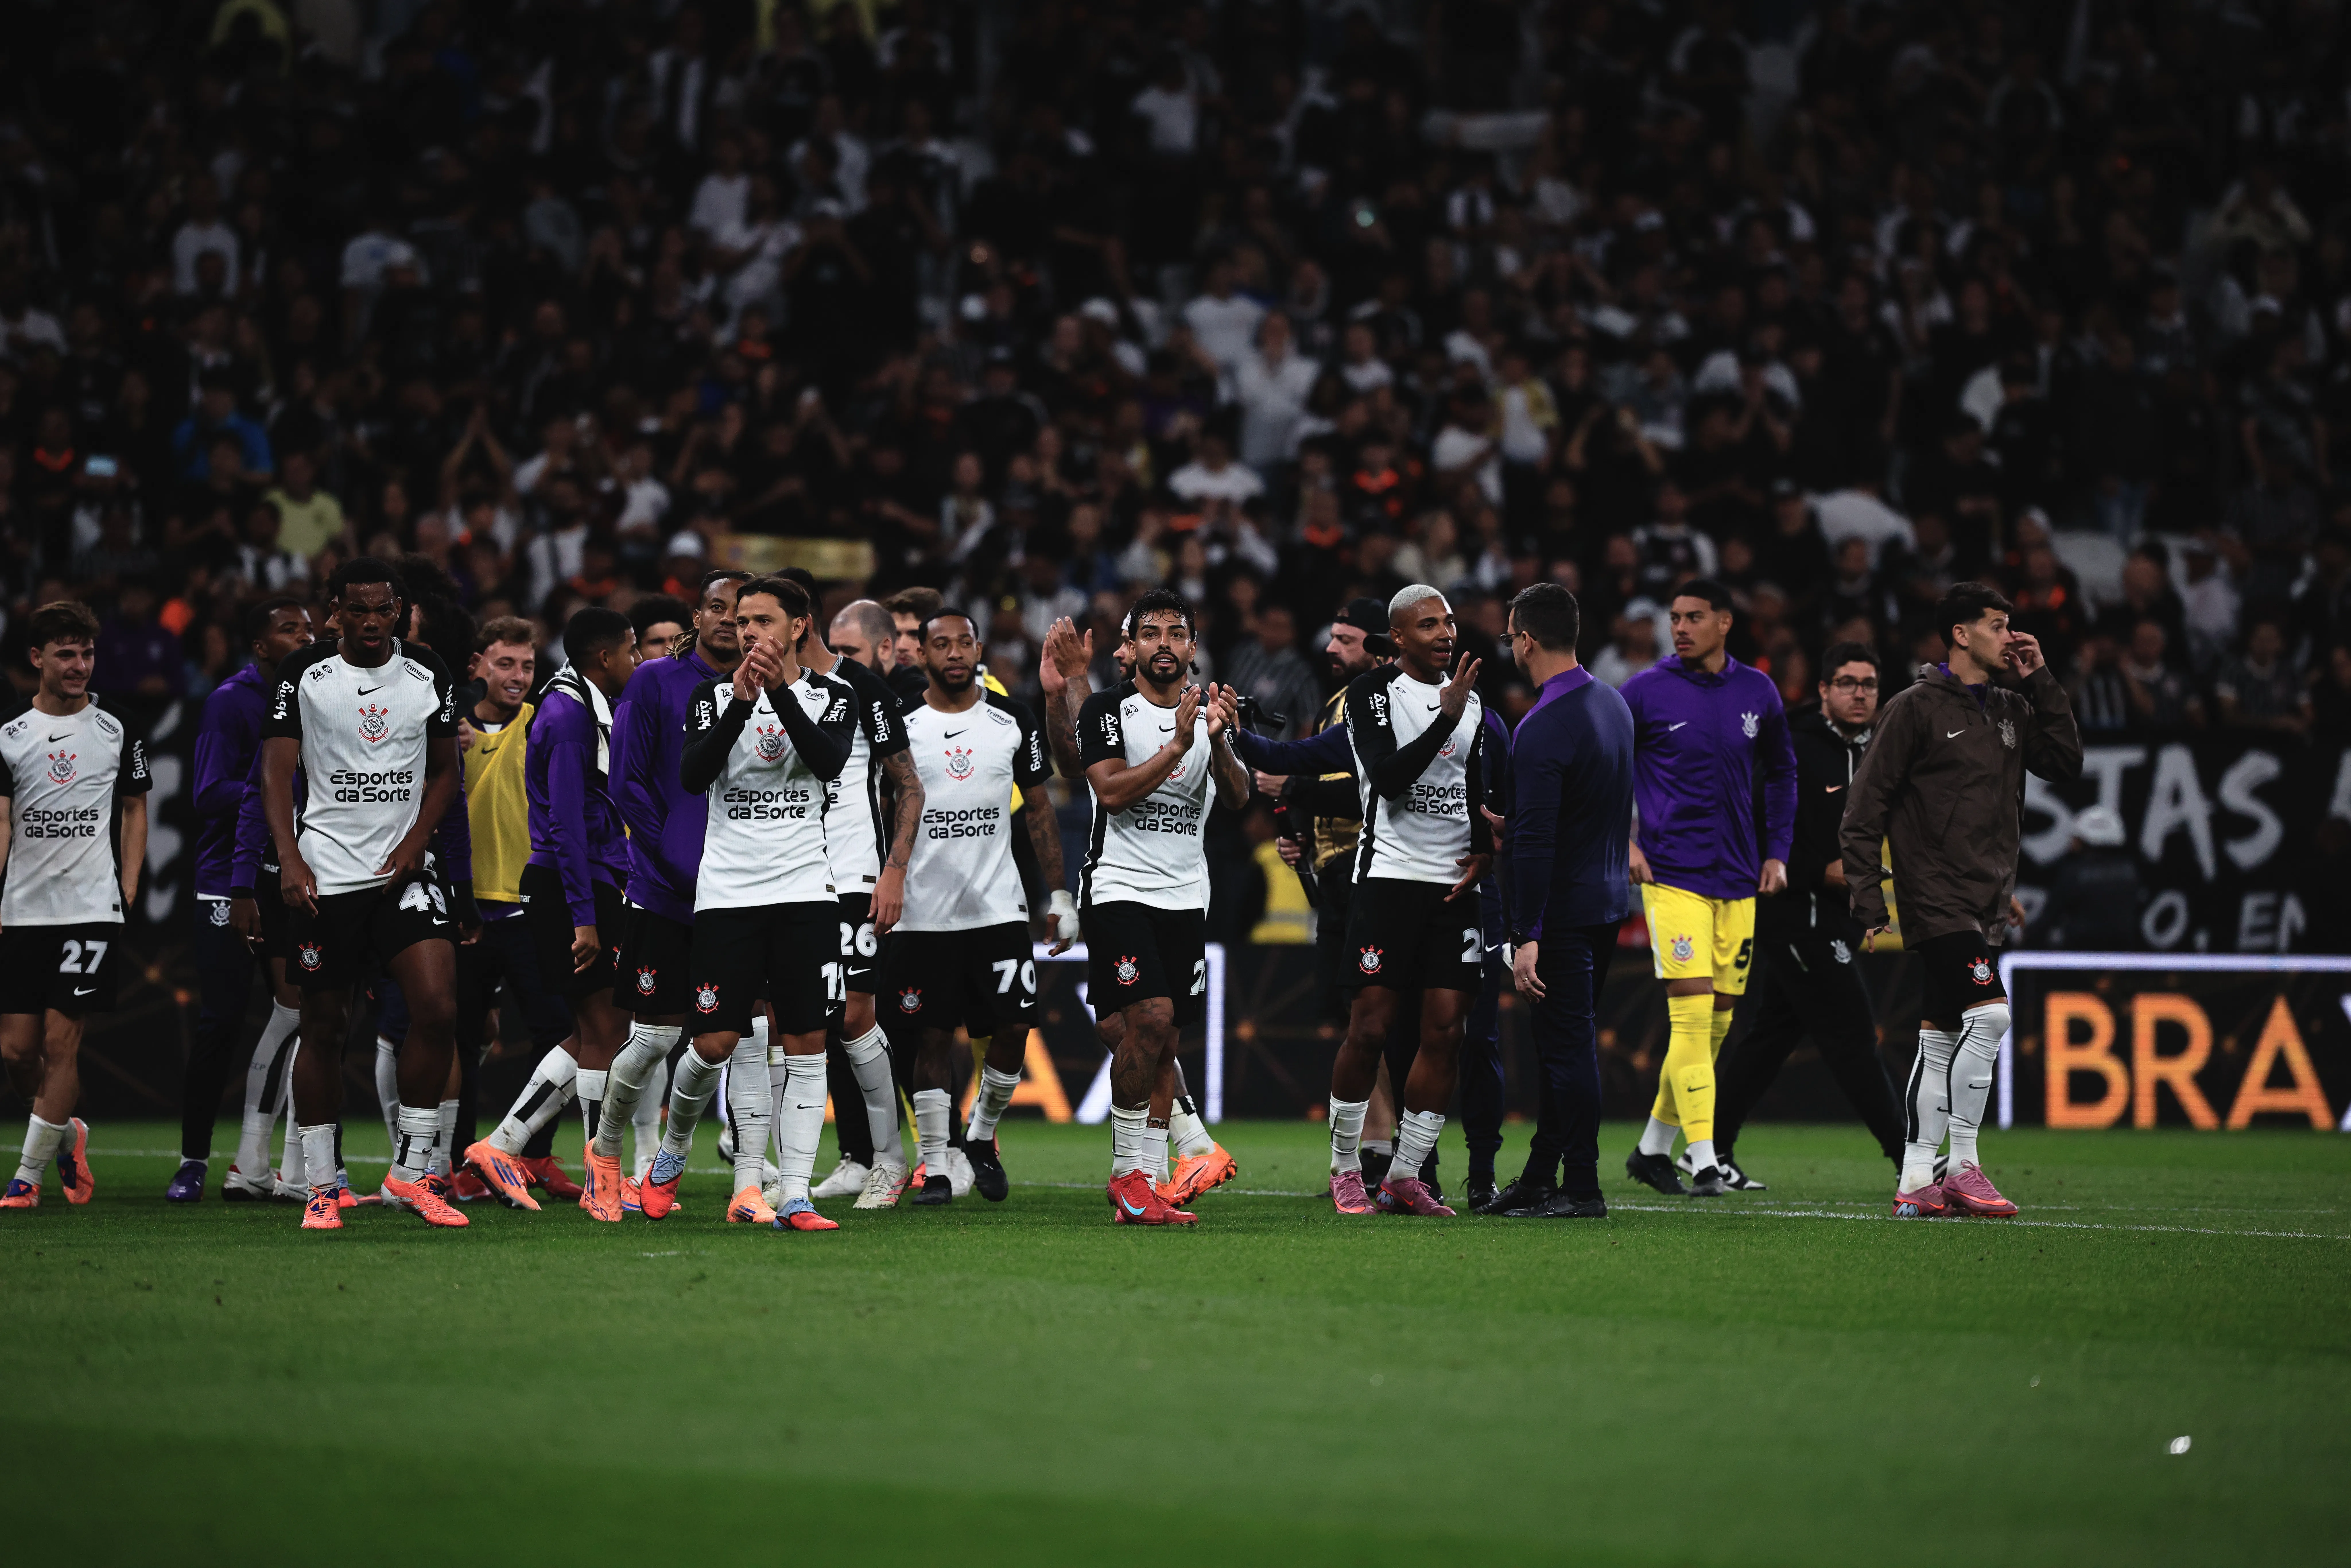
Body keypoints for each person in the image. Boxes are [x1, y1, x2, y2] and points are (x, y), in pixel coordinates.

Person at [608, 576, 856, 1230]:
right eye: (743, 620)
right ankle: (673, 1149)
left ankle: (796, 1193)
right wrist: (743, 705)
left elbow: (828, 762)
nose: (748, 632)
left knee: (805, 1042)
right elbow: (693, 774)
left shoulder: (833, 697)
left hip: (804, 889)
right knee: (714, 1041)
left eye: (763, 621)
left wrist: (777, 693)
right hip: (728, 895)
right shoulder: (709, 697)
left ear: (798, 626)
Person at [1841, 582, 2081, 1219]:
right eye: (1999, 626)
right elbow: (1863, 809)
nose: (2011, 637)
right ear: (1960, 634)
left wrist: (2041, 681)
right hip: (1935, 895)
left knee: (1942, 1035)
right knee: (1992, 1016)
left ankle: (1917, 1175)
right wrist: (1868, 895)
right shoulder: (1914, 708)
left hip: (1986, 899)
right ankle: (1965, 1166)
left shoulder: (2010, 707)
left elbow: (2065, 762)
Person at [259, 558, 469, 1230]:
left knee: (437, 1010)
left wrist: (417, 840)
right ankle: (321, 1185)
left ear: (401, 611)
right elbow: (275, 770)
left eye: (385, 609)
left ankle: (411, 1174)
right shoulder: (306, 675)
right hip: (326, 875)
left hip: (403, 874)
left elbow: (445, 771)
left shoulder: (428, 672)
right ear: (336, 612)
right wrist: (288, 859)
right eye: (359, 609)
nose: (373, 622)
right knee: (324, 1029)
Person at [1323, 586, 1502, 1217]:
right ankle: (1347, 1168)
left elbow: (1474, 791)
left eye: (1448, 622)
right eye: (1427, 625)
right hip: (1389, 880)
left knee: (1447, 1032)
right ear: (1397, 638)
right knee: (1368, 1028)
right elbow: (1391, 780)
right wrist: (1445, 718)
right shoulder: (1373, 695)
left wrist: (1486, 847)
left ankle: (1405, 1173)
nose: (1444, 633)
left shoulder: (1475, 703)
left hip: (1454, 888)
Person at [1076, 589, 1248, 1224]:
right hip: (1119, 886)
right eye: (1151, 633)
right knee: (1147, 1019)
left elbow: (1236, 798)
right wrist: (1176, 748)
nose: (1165, 644)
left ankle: (1149, 1181)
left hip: (1185, 894)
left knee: (1166, 1036)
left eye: (1177, 633)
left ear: (1193, 647)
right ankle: (1128, 1175)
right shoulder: (1105, 709)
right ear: (1135, 647)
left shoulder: (1207, 713)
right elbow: (1112, 792)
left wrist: (1221, 743)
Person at [1620, 578, 1795, 1198]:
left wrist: (1777, 852)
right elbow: (1602, 768)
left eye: (1694, 616)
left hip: (1740, 877)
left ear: (1725, 622)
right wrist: (1628, 842)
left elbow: (1781, 772)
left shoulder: (1758, 690)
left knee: (1718, 1023)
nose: (1680, 627)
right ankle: (1704, 1156)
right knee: (1692, 1018)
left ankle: (1651, 1148)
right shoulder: (1643, 690)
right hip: (1672, 876)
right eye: (1674, 617)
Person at [1710, 641, 1906, 1189]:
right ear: (1823, 690)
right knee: (1853, 1034)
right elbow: (1750, 824)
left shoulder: (1879, 749)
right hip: (1788, 909)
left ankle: (1708, 1150)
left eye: (1869, 684)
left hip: (1833, 913)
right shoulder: (1792, 745)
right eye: (1847, 683)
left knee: (1772, 1035)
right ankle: (1911, 1159)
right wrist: (1821, 870)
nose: (1860, 693)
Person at [889, 607, 1066, 1206]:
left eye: (965, 642)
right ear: (923, 655)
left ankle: (982, 1135)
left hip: (998, 906)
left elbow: (1039, 809)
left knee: (1014, 1026)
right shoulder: (901, 723)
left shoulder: (1011, 718)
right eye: (942, 644)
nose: (955, 653)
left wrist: (1060, 893)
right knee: (932, 1037)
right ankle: (935, 1166)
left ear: (979, 647)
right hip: (922, 911)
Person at [463, 609, 640, 1206]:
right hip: (572, 884)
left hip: (581, 881)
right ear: (604, 658)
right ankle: (598, 1176)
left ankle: (506, 1143)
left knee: (595, 1028)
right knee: (607, 1027)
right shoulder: (567, 715)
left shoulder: (576, 703)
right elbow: (564, 821)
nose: (636, 662)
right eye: (632, 651)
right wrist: (584, 914)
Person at [597, 569, 750, 1216]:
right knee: (656, 1038)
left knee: (748, 1037)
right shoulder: (655, 681)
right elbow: (627, 783)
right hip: (669, 891)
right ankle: (604, 1157)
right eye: (715, 607)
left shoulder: (776, 691)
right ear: (698, 614)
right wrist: (677, 859)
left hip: (746, 891)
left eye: (741, 612)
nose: (727, 620)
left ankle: (749, 1178)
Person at [0, 601, 151, 1211]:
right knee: (16, 1052)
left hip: (90, 905)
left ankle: (27, 1177)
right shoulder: (10, 735)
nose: (79, 664)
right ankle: (68, 1131)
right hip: (24, 907)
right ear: (37, 658)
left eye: (86, 652)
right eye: (66, 653)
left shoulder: (118, 727)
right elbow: (3, 818)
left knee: (64, 1045)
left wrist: (131, 880)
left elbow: (136, 806)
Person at [1490, 583, 1633, 1219]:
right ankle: (1542, 1175)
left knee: (1568, 1048)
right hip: (1605, 902)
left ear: (1525, 638)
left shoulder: (1543, 722)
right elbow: (1586, 810)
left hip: (1563, 914)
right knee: (1562, 1046)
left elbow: (1540, 840)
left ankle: (1582, 1186)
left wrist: (1527, 933)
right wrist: (1515, 821)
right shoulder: (1612, 705)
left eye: (1510, 636)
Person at [169, 596, 311, 1202]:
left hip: (291, 875)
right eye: (289, 629)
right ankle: (193, 1159)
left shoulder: (319, 694)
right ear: (260, 646)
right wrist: (279, 784)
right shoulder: (232, 700)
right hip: (226, 879)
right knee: (221, 1021)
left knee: (299, 1013)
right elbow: (206, 793)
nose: (304, 636)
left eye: (307, 626)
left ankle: (265, 1162)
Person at [441, 618, 582, 1205]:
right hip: (468, 910)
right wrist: (444, 748)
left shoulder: (543, 722)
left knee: (560, 1033)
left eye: (526, 666)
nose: (518, 676)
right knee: (463, 1041)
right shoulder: (447, 733)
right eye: (505, 664)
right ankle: (459, 1165)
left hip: (530, 909)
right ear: (477, 665)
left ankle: (534, 1156)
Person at [795, 597, 922, 1209]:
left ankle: (890, 1159)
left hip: (853, 875)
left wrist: (892, 871)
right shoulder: (773, 688)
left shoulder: (866, 691)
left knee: (854, 1015)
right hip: (791, 878)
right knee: (802, 1018)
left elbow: (908, 784)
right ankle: (834, 1160)